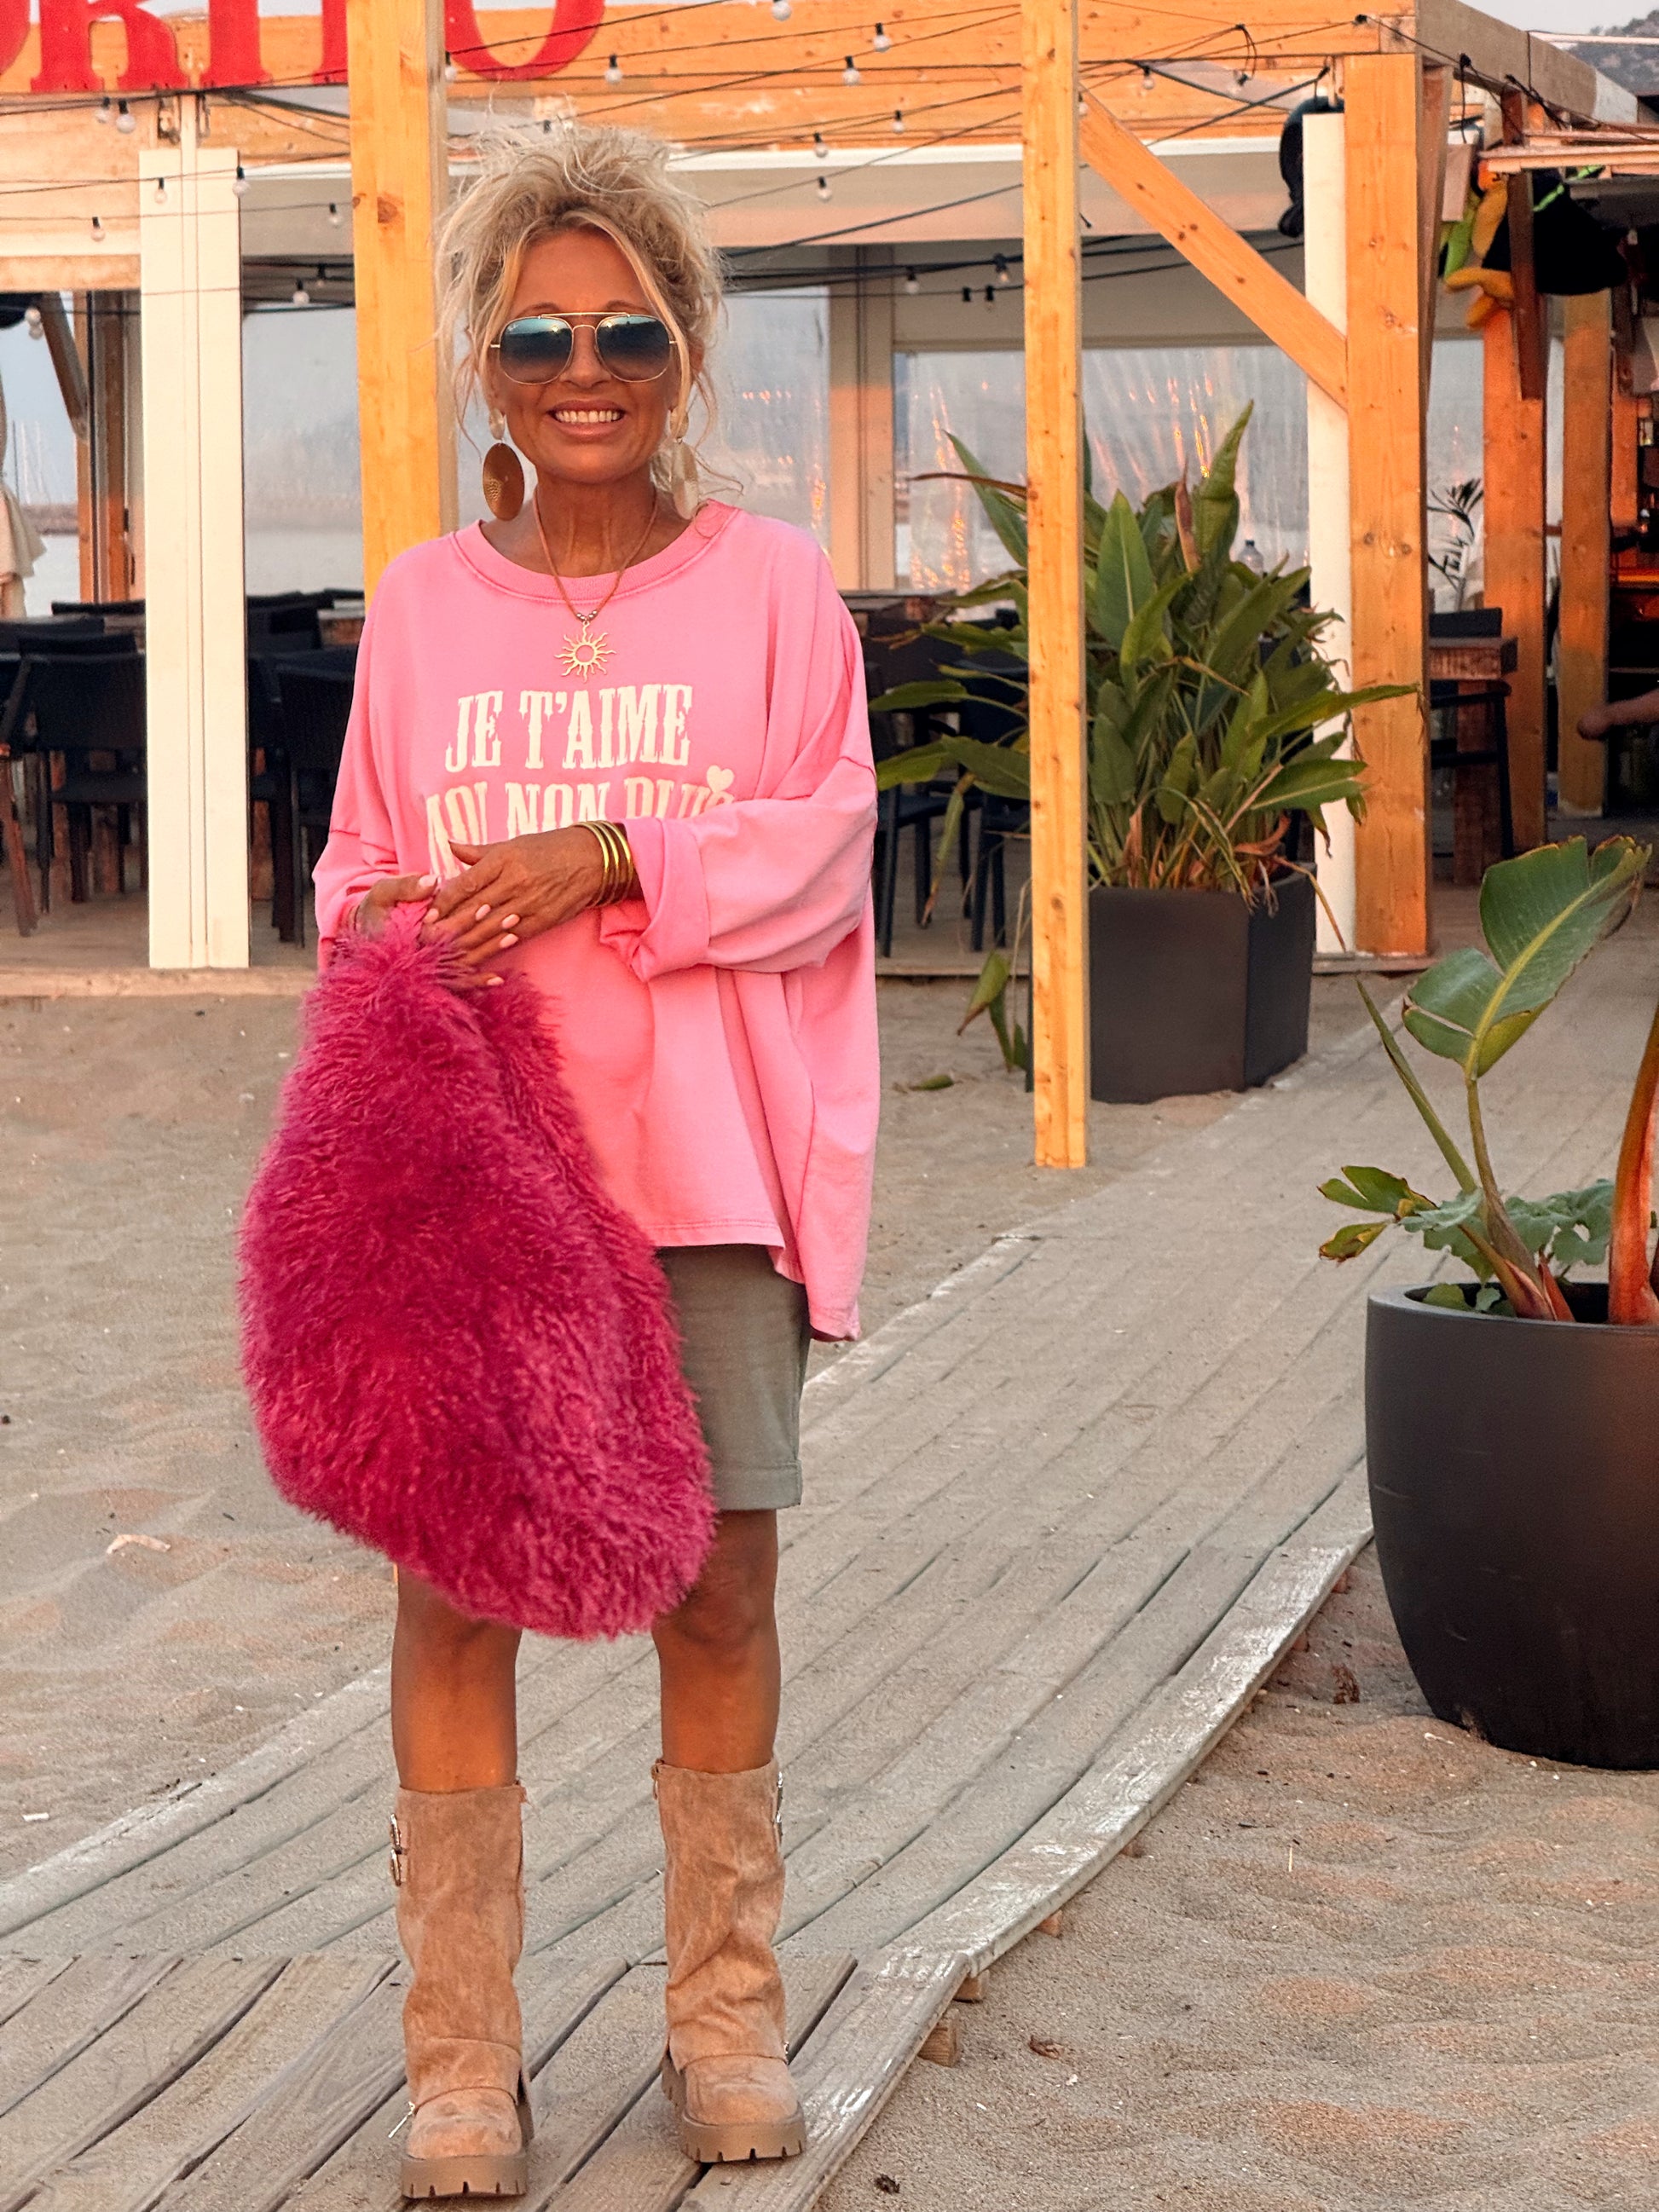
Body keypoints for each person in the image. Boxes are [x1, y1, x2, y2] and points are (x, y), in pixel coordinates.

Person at [310, 118, 878, 2200]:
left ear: (682, 351)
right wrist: (393, 921)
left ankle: (723, 2021)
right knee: (458, 1588)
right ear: (487, 357)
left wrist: (609, 851)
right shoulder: (418, 608)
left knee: (715, 1588)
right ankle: (461, 2060)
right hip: (485, 1185)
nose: (584, 368)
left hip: (705, 1170)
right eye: (540, 332)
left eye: (626, 329)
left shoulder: (774, 590)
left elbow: (824, 850)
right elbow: (350, 875)